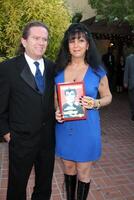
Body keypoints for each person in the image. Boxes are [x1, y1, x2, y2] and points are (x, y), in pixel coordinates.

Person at [54, 23, 112, 200]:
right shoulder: (58, 71)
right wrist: (56, 111)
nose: (76, 45)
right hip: (65, 129)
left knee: (83, 171)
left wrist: (95, 103)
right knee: (69, 168)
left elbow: (108, 96)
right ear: (67, 45)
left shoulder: (97, 71)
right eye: (72, 41)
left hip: (87, 129)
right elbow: (55, 100)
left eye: (81, 40)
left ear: (88, 45)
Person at [0, 21, 55, 200]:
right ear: (24, 41)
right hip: (20, 139)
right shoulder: (7, 69)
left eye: (44, 39)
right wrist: (7, 133)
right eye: (36, 38)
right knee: (17, 187)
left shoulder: (53, 68)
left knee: (44, 185)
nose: (41, 43)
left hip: (47, 139)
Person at [124, 53, 134, 121]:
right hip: (132, 83)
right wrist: (125, 81)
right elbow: (126, 71)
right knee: (132, 100)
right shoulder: (129, 58)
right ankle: (133, 113)